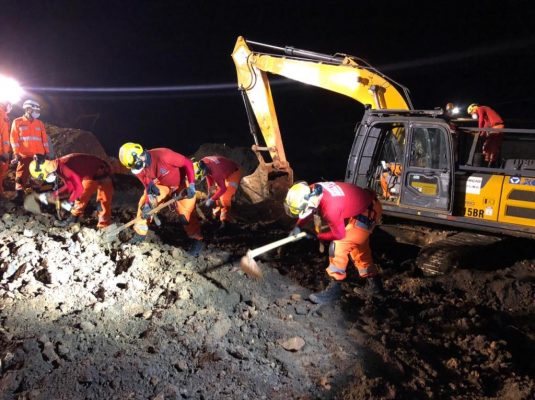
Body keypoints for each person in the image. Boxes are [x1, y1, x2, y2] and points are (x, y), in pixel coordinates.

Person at [284, 181, 383, 304]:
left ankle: (334, 291)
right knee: (358, 248)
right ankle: (375, 286)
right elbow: (309, 208)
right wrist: (298, 226)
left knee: (338, 246)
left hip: (369, 212)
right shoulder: (312, 189)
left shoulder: (331, 208)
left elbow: (339, 234)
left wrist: (317, 235)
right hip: (365, 206)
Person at [118, 142, 203, 255]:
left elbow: (187, 163)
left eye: (137, 165)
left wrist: (191, 184)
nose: (137, 169)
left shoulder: (163, 155)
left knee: (185, 216)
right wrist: (149, 205)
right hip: (162, 183)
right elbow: (147, 186)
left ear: (140, 155)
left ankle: (197, 240)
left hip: (182, 183)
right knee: (144, 205)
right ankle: (140, 234)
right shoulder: (137, 167)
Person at [29, 153, 114, 228]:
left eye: (42, 177)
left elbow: (78, 188)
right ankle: (73, 220)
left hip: (102, 172)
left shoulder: (63, 166)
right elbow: (69, 185)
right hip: (91, 174)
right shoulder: (58, 166)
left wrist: (70, 201)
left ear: (42, 172)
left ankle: (104, 227)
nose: (44, 179)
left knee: (103, 201)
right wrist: (53, 195)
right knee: (81, 197)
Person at [10, 99, 50, 204]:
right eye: (34, 109)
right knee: (21, 174)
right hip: (25, 154)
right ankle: (19, 195)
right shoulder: (17, 122)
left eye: (38, 109)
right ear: (28, 109)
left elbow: (44, 139)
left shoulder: (39, 123)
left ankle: (37, 197)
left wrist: (47, 152)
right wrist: (16, 153)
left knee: (38, 176)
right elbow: (14, 139)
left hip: (39, 155)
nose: (37, 112)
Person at [194, 156, 242, 229]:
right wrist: (210, 192)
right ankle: (218, 213)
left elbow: (223, 189)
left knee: (224, 198)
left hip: (233, 172)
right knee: (215, 192)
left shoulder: (216, 172)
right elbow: (208, 175)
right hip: (222, 171)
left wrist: (211, 199)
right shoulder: (203, 163)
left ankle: (225, 221)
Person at [0, 101, 12, 198]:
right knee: (1, 170)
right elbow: (4, 135)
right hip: (1, 150)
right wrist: (5, 152)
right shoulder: (2, 114)